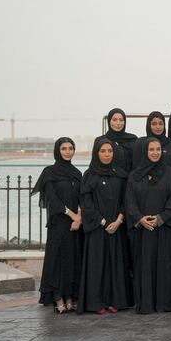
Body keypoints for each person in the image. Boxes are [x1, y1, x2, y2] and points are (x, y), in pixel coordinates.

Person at [125, 137, 171, 313]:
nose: (156, 153)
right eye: (151, 149)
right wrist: (139, 219)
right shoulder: (134, 176)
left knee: (165, 266)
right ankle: (147, 304)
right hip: (143, 231)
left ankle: (164, 303)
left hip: (164, 229)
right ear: (144, 151)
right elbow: (130, 201)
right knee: (144, 267)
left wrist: (160, 218)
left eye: (158, 149)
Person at [77, 138, 133, 314]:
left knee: (115, 264)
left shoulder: (120, 174)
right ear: (96, 153)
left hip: (117, 227)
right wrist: (102, 222)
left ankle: (115, 300)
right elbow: (86, 203)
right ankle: (96, 302)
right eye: (103, 151)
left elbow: (127, 199)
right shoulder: (89, 175)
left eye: (109, 151)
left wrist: (118, 221)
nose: (107, 154)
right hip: (97, 228)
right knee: (97, 264)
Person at [33, 137, 83, 314]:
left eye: (71, 148)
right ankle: (57, 297)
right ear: (57, 151)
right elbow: (52, 199)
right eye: (64, 148)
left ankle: (70, 296)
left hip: (75, 225)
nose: (68, 151)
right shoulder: (50, 172)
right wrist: (72, 215)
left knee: (72, 258)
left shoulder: (77, 173)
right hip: (59, 223)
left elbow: (83, 198)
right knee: (57, 259)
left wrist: (79, 218)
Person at [94, 108, 137, 172]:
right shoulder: (100, 140)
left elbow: (136, 163)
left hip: (128, 178)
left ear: (124, 122)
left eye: (121, 120)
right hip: (107, 177)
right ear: (109, 121)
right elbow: (95, 163)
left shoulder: (133, 139)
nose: (118, 123)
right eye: (114, 120)